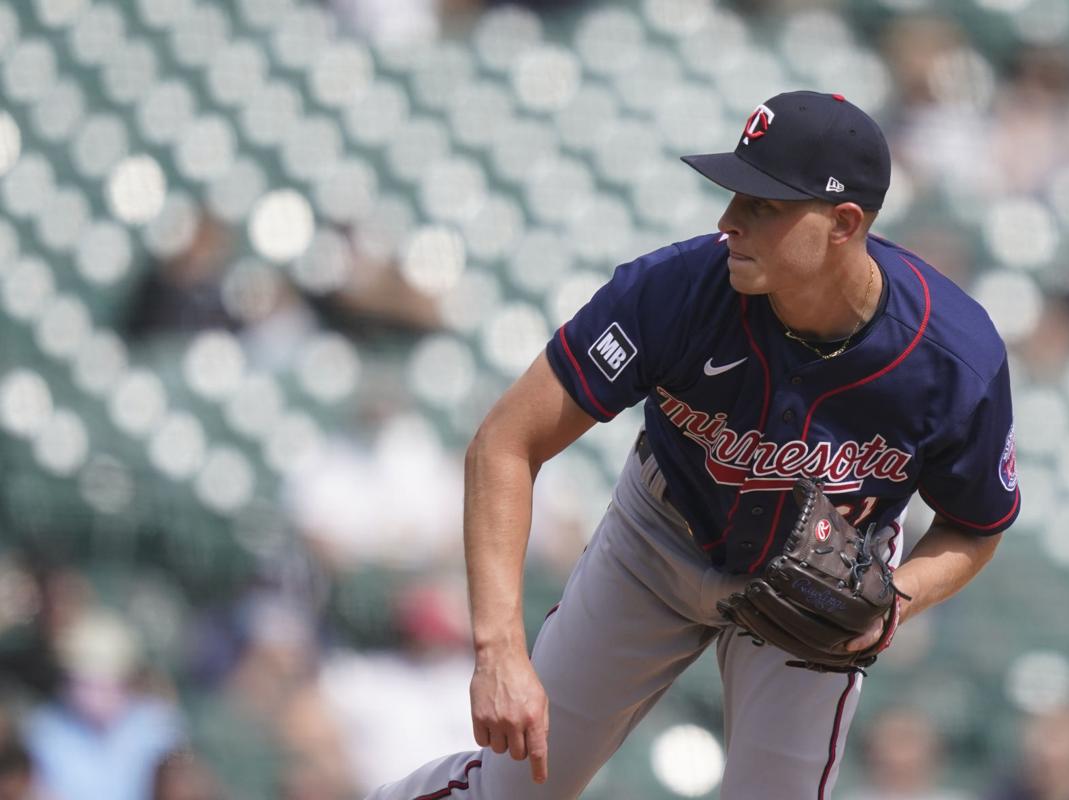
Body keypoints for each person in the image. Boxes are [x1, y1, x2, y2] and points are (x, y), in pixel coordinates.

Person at [368, 90, 1020, 799]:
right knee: (512, 791)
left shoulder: (954, 357)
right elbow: (505, 444)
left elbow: (977, 524)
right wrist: (498, 652)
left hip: (813, 587)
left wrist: (896, 601)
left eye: (763, 206)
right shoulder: (675, 290)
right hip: (656, 543)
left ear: (844, 223)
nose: (728, 220)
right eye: (736, 194)